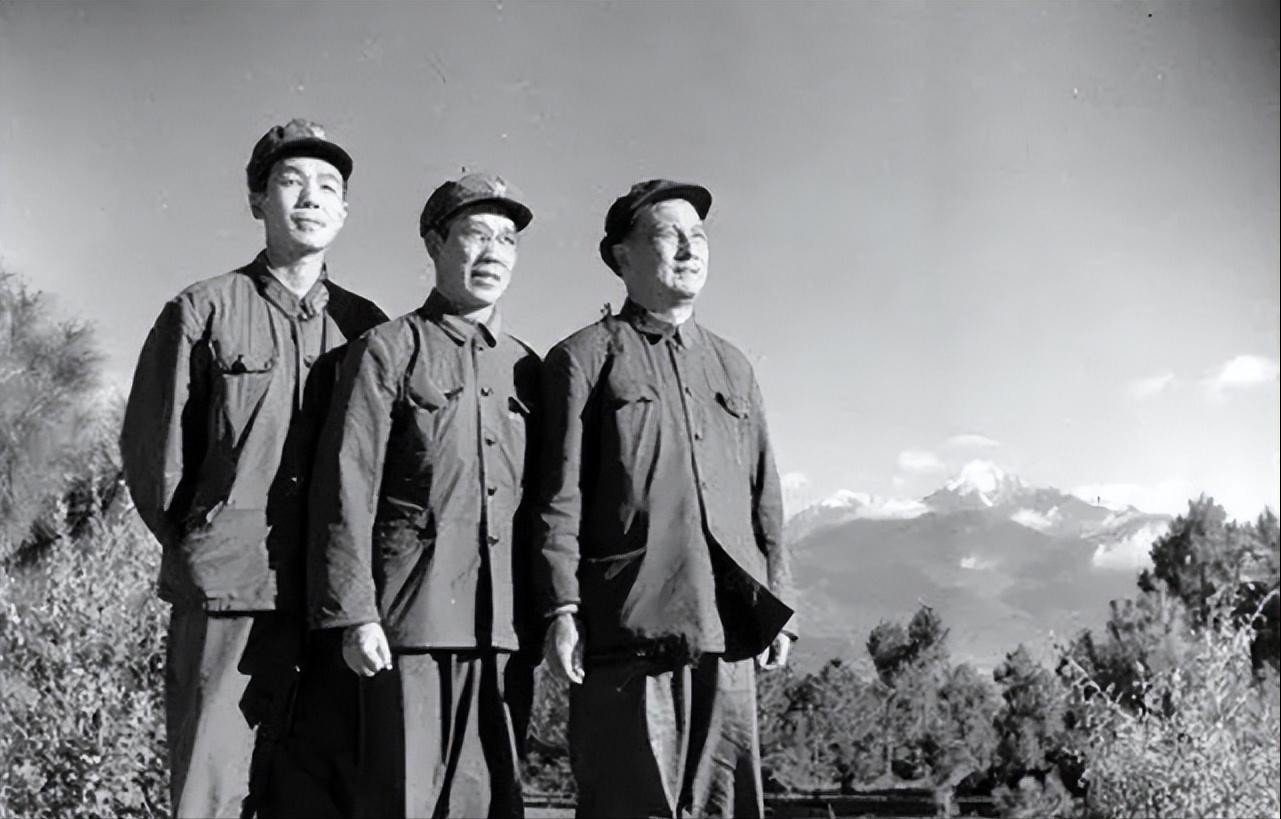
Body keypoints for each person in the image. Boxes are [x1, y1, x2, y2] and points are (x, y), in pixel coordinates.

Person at [119, 119, 387, 817]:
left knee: (317, 793)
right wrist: (207, 543)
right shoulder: (202, 310)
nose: (311, 197)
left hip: (330, 604)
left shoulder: (369, 329)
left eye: (328, 185)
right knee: (210, 791)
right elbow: (155, 461)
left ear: (345, 210)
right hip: (227, 594)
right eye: (290, 181)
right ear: (256, 200)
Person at [536, 179, 797, 818]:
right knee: (630, 804)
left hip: (728, 630)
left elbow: (765, 495)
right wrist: (562, 608)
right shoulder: (582, 359)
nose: (689, 248)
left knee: (725, 806)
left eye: (698, 236)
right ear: (621, 256)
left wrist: (779, 602)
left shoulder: (733, 366)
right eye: (667, 234)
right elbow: (558, 498)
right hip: (627, 629)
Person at [308, 172, 539, 819]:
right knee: (402, 801)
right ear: (436, 244)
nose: (493, 253)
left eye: (507, 240)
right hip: (408, 623)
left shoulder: (526, 367)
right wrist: (355, 613)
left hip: (502, 631)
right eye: (475, 235)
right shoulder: (386, 350)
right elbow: (346, 485)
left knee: (492, 802)